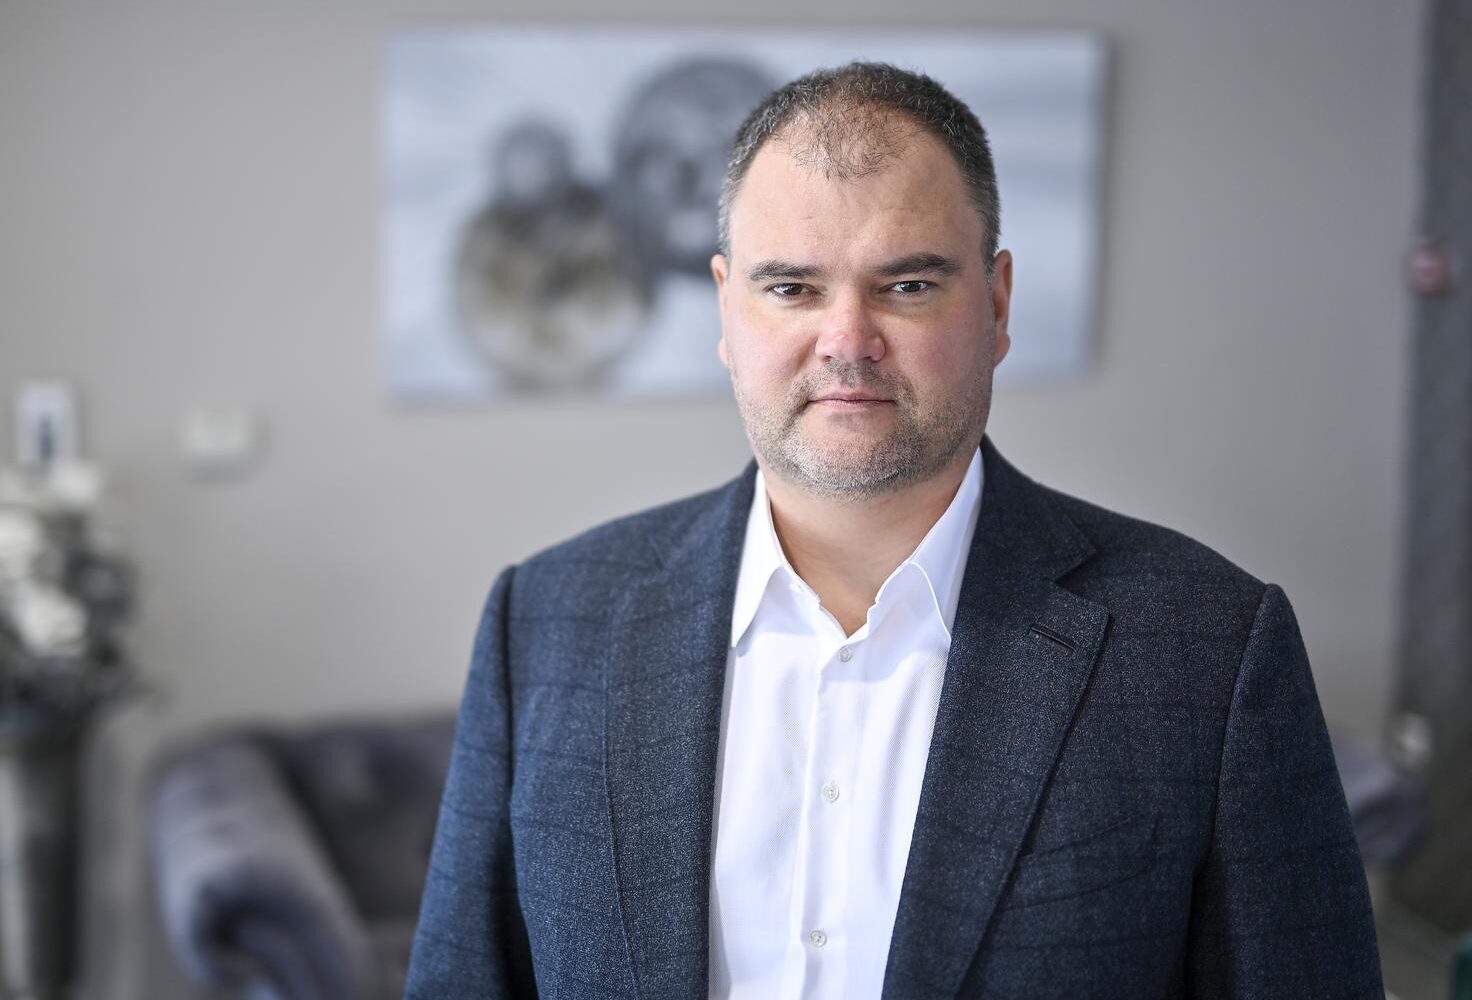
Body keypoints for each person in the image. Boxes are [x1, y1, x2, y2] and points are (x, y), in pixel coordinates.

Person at [404, 62, 1382, 999]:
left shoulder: (1209, 647)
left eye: (907, 285)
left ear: (996, 305)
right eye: (791, 288)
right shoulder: (545, 621)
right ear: (726, 310)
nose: (847, 341)